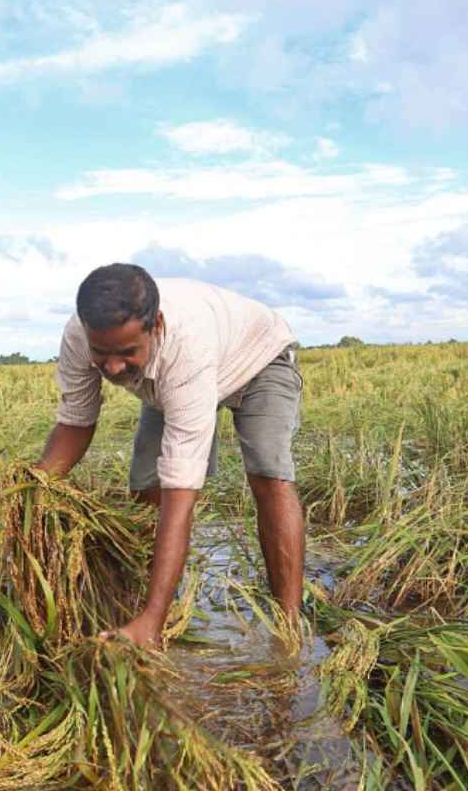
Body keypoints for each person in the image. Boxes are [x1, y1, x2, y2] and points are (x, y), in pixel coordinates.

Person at [36, 263, 304, 649]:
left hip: (258, 357)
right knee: (147, 487)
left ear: (155, 325)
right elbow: (76, 423)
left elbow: (181, 497)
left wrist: (153, 621)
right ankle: (148, 606)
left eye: (127, 352)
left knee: (268, 473)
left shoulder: (185, 347)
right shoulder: (79, 335)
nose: (112, 368)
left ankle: (288, 625)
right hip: (181, 374)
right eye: (102, 353)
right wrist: (33, 488)